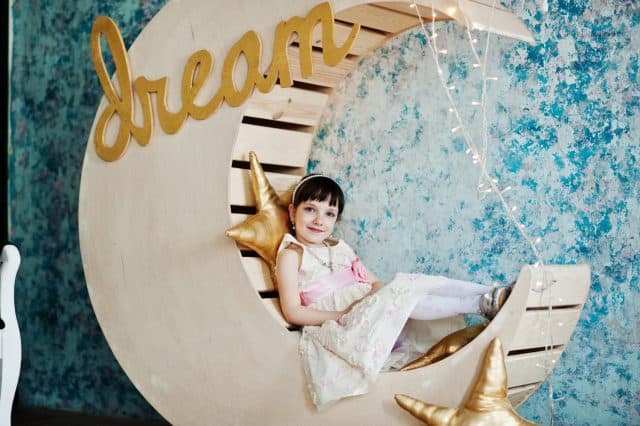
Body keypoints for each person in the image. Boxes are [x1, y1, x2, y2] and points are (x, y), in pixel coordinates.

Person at [275, 174, 510, 407]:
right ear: (293, 211)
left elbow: (376, 283)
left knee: (406, 284)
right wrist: (342, 315)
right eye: (310, 210)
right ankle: (481, 304)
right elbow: (293, 311)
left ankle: (490, 293)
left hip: (371, 315)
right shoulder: (292, 254)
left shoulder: (339, 248)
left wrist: (373, 301)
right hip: (344, 327)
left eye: (329, 214)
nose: (319, 220)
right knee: (401, 289)